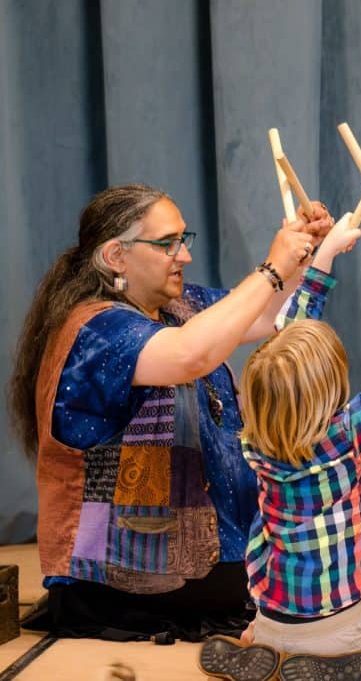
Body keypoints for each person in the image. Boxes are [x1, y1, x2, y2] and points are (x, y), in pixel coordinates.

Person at [8, 184, 333, 641]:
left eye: (184, 240)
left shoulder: (177, 306)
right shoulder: (96, 330)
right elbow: (189, 355)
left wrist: (304, 256)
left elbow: (266, 316)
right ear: (116, 256)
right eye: (167, 244)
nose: (183, 256)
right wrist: (273, 267)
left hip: (205, 561)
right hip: (125, 579)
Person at [199, 219, 361, 681]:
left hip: (270, 611)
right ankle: (358, 667)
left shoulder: (256, 438)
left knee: (282, 627)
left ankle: (266, 646)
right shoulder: (347, 438)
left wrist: (322, 260)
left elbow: (287, 336)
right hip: (338, 622)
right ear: (331, 390)